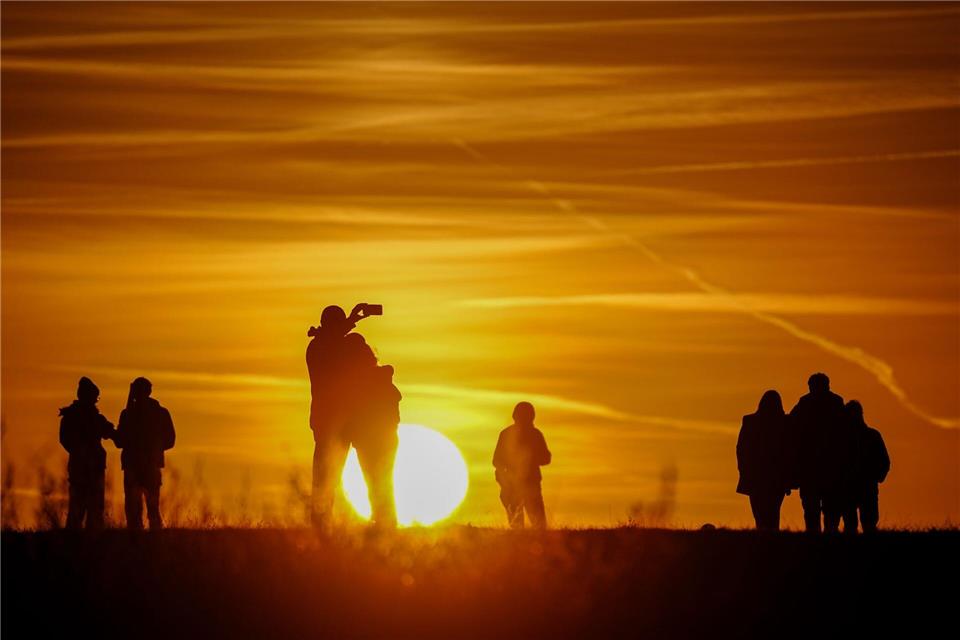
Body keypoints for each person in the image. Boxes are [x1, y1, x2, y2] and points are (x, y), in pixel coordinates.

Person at [306, 303, 379, 525]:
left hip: (339, 422)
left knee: (330, 476)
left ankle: (322, 523)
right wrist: (351, 322)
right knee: (326, 478)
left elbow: (335, 345)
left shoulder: (321, 345)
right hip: (332, 423)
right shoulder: (321, 348)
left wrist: (350, 322)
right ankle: (321, 523)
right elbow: (336, 350)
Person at [114, 377, 176, 531]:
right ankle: (149, 538)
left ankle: (146, 538)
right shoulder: (155, 413)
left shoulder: (135, 413)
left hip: (143, 466)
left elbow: (170, 439)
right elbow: (121, 441)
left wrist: (151, 451)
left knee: (146, 507)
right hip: (140, 466)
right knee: (144, 507)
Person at [789, 372, 846, 533]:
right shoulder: (836, 402)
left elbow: (791, 424)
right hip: (828, 464)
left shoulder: (805, 402)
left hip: (813, 465)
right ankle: (829, 533)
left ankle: (816, 534)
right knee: (828, 505)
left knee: (813, 505)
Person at [59, 377, 115, 530]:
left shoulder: (91, 417)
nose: (95, 401)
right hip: (83, 466)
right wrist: (81, 452)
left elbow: (110, 433)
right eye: (93, 397)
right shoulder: (76, 416)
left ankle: (89, 535)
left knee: (93, 506)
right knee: (80, 504)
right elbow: (65, 439)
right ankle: (80, 536)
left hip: (92, 465)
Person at [349, 364, 401, 528]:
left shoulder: (376, 391)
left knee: (375, 479)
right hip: (384, 441)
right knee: (380, 479)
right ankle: (383, 517)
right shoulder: (389, 391)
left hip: (374, 442)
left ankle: (383, 518)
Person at [736, 390, 791, 531]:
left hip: (755, 476)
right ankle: (771, 541)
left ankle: (762, 540)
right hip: (776, 477)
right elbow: (789, 451)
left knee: (759, 514)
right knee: (773, 512)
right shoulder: (784, 422)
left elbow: (741, 449)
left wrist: (744, 470)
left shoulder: (750, 421)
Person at [493, 402, 551, 529]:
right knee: (524, 526)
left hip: (528, 485)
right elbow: (497, 461)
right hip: (514, 485)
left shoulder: (533, 434)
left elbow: (546, 458)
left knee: (536, 525)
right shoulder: (533, 434)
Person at [846, 400, 890, 532]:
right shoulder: (844, 438)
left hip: (865, 486)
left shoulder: (872, 435)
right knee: (852, 525)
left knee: (868, 524)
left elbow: (884, 461)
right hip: (851, 487)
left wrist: (876, 477)